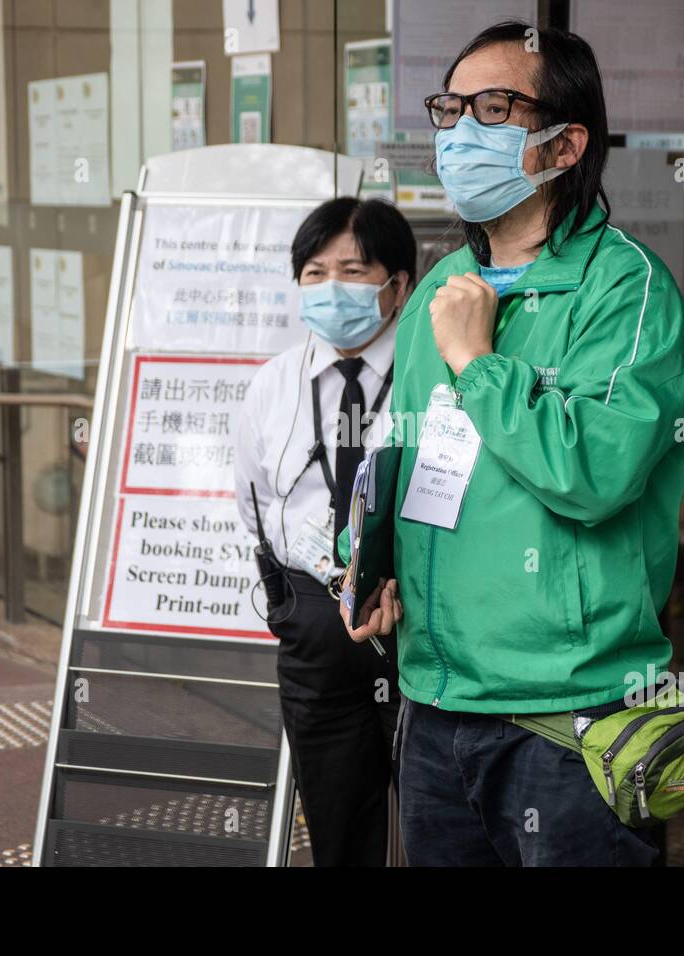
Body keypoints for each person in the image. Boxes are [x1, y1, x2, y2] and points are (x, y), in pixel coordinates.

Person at [338, 21, 684, 867]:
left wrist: (479, 362)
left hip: (568, 723)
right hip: (435, 705)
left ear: (566, 142)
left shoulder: (625, 288)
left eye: (493, 108)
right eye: (450, 109)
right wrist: (367, 559)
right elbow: (406, 455)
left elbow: (595, 472)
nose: (461, 132)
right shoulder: (440, 286)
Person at [235, 196, 415, 866]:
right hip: (314, 621)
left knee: (441, 818)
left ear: (399, 284)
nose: (330, 287)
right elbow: (252, 502)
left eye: (352, 271)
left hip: (417, 620)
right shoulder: (274, 385)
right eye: (314, 273)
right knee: (338, 822)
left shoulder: (436, 377)